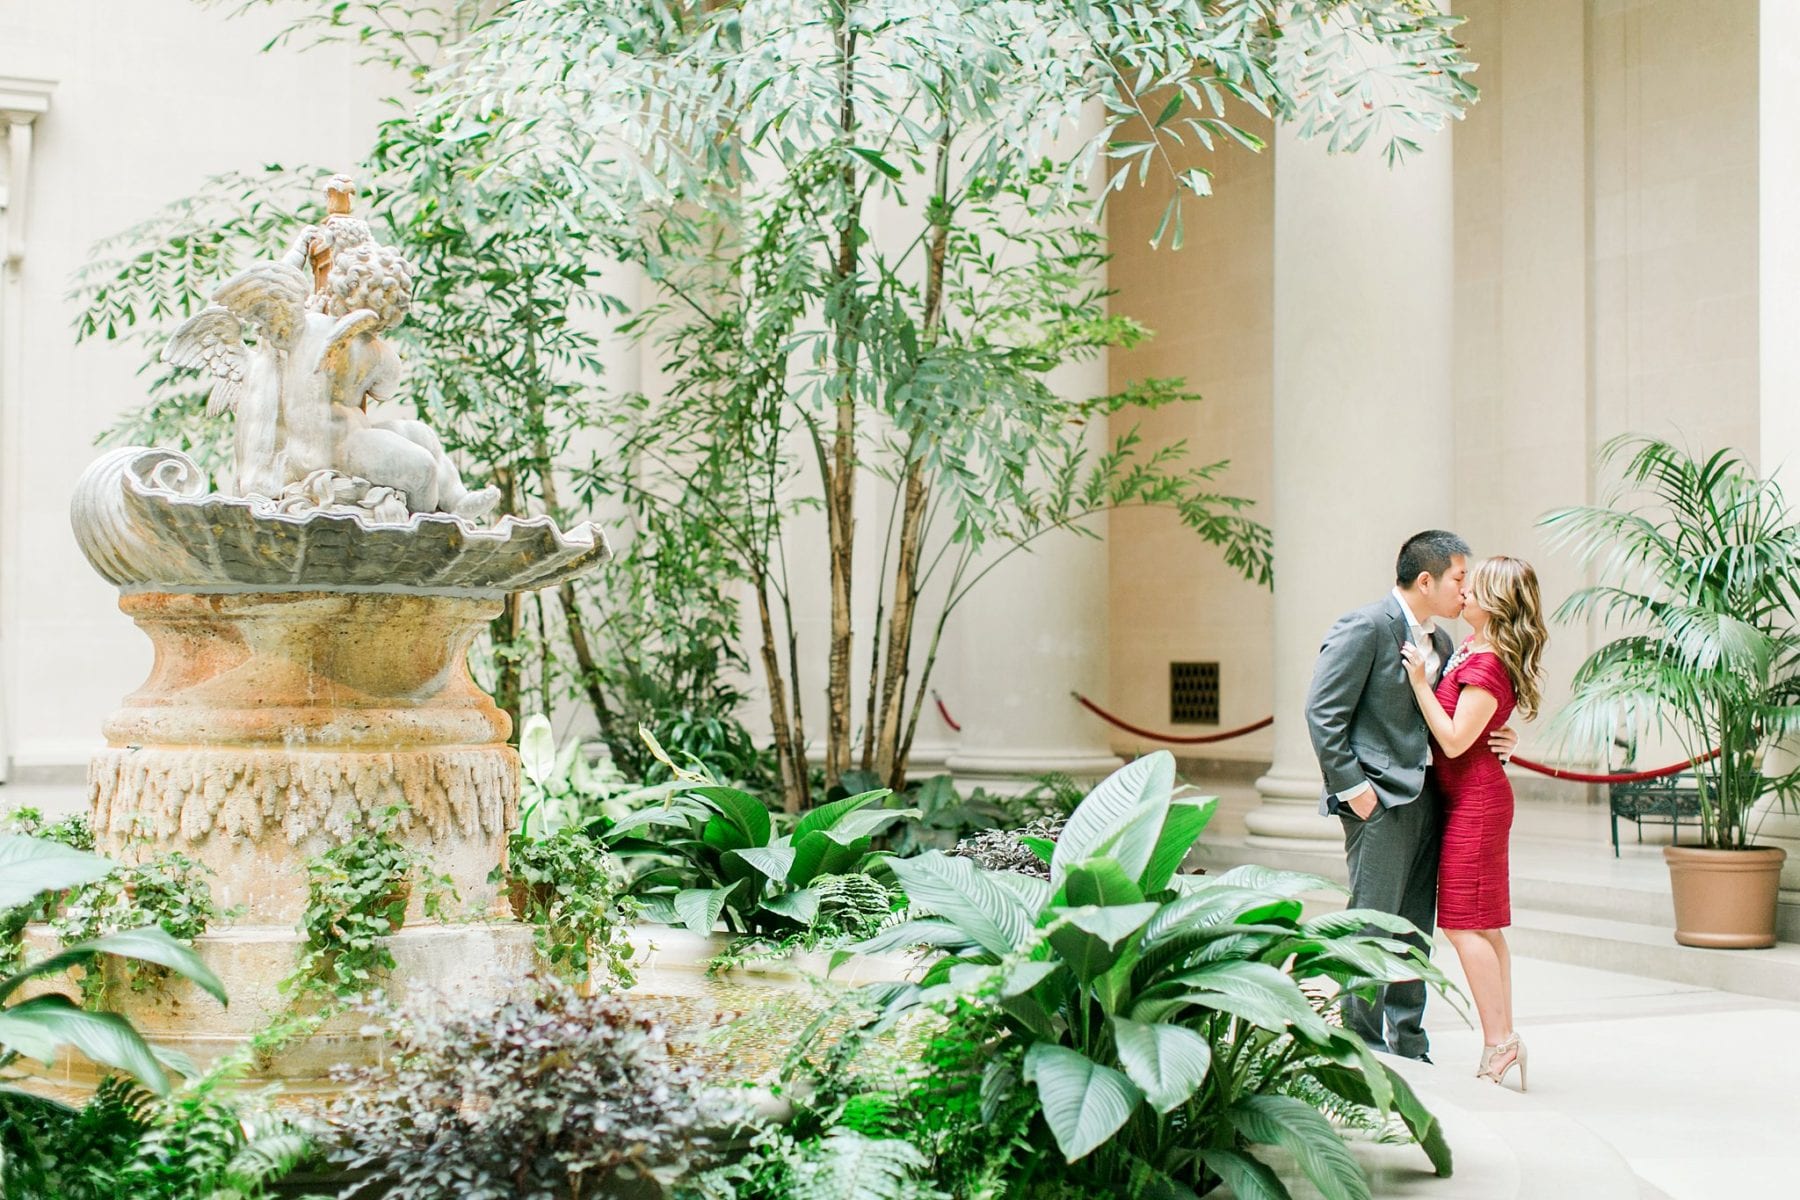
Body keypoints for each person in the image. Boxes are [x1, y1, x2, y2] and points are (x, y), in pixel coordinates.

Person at [1305, 530, 1517, 1062]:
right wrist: (1355, 792)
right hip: (1377, 802)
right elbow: (1323, 714)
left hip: (1432, 803)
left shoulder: (1443, 644)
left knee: (1415, 928)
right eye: (1459, 578)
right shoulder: (1366, 627)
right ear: (1427, 580)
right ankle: (1361, 1046)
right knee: (1372, 922)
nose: (1464, 590)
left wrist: (1500, 739)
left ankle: (1408, 1042)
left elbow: (1453, 720)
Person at [1400, 555, 1547, 1090]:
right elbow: (1479, 729)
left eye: (1474, 589)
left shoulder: (1485, 662)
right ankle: (1504, 1039)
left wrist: (1419, 683)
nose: (1462, 594)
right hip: (1472, 794)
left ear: (1496, 604)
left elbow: (1457, 740)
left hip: (1476, 803)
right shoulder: (1477, 649)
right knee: (1483, 926)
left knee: (1464, 925)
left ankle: (1499, 1044)